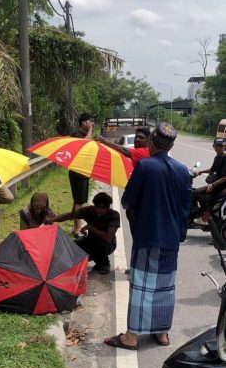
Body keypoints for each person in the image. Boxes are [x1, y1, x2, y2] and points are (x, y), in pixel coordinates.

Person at [104, 122, 191, 350]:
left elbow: (128, 200)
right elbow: (185, 210)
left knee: (142, 284)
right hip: (171, 238)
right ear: (170, 146)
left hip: (148, 235)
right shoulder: (183, 171)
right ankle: (162, 333)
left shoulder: (145, 166)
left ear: (151, 142)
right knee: (165, 285)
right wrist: (179, 235)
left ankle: (131, 336)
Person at [47, 192, 120, 274]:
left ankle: (104, 263)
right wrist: (52, 219)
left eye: (102, 208)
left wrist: (90, 227)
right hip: (90, 241)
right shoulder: (89, 211)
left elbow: (108, 238)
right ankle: (91, 260)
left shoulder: (114, 215)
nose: (98, 210)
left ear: (107, 208)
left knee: (98, 242)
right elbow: (69, 216)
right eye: (96, 207)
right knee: (70, 246)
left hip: (107, 245)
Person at [69, 112, 95, 238]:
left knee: (78, 201)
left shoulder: (85, 135)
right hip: (77, 172)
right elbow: (84, 146)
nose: (92, 124)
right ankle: (77, 228)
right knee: (78, 201)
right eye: (90, 121)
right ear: (84, 122)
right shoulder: (76, 135)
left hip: (84, 172)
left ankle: (77, 226)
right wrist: (90, 131)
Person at [193, 138, 226, 225]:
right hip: (217, 184)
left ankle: (206, 215)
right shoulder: (217, 157)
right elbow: (212, 169)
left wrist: (212, 184)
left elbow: (225, 177)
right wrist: (200, 171)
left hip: (221, 185)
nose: (218, 148)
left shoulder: (225, 158)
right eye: (216, 146)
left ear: (224, 146)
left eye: (220, 146)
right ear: (213, 147)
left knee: (197, 192)